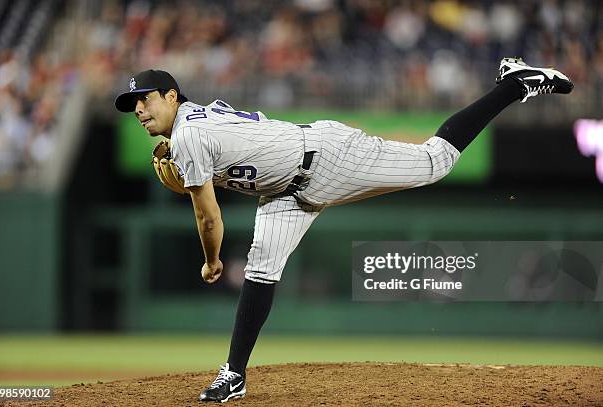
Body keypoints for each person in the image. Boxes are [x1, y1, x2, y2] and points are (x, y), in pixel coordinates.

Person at [114, 58, 573, 403]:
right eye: (132, 103)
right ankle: (233, 374)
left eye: (147, 98)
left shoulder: (189, 136)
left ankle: (514, 83)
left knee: (437, 161)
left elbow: (208, 217)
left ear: (172, 96)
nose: (138, 109)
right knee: (261, 269)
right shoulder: (194, 125)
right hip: (283, 194)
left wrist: (213, 260)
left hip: (326, 158)